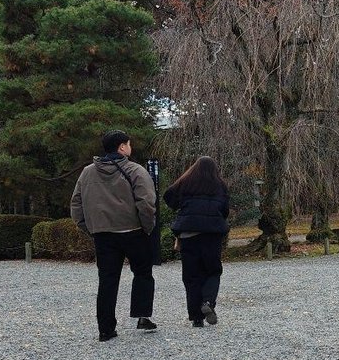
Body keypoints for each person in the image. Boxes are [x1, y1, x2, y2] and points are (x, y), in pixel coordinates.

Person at [70, 130, 158, 342]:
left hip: (103, 234)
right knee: (143, 273)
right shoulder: (134, 170)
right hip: (133, 231)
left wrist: (89, 227)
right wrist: (147, 227)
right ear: (121, 147)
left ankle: (106, 329)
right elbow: (146, 202)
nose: (130, 147)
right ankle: (142, 316)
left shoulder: (87, 173)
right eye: (129, 144)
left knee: (107, 280)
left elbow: (76, 204)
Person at [163, 156, 230, 328]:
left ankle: (196, 317)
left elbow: (168, 197)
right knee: (213, 271)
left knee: (191, 276)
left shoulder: (185, 183)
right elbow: (225, 210)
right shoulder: (220, 185)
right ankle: (208, 301)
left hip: (188, 234)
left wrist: (182, 206)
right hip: (212, 234)